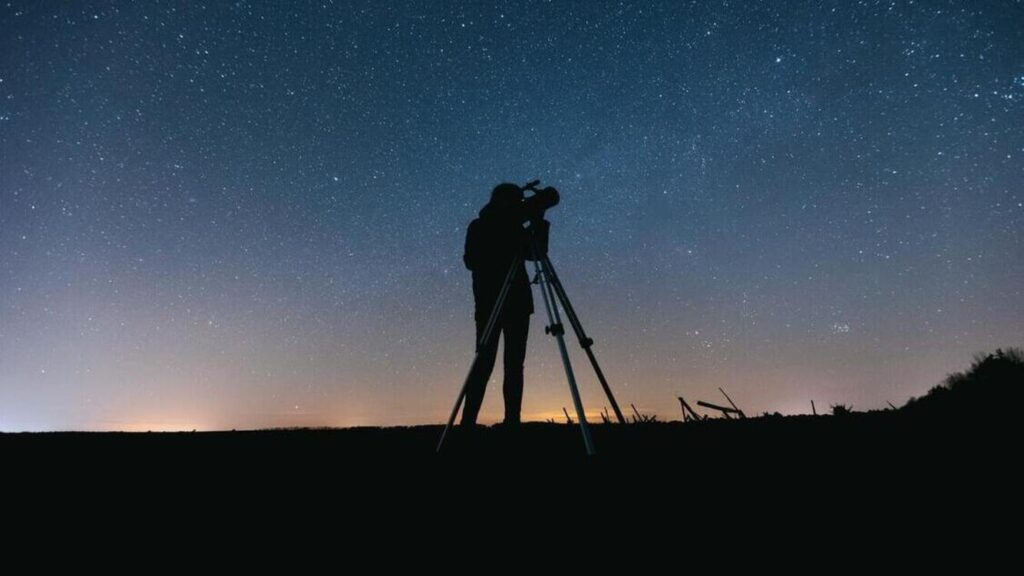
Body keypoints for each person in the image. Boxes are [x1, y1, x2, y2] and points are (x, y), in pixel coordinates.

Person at [460, 182, 551, 427]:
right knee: (484, 362)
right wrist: (505, 237)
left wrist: (538, 222)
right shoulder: (479, 226)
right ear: (502, 201)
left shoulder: (516, 227)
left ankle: (513, 421)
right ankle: (467, 422)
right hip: (490, 303)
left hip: (518, 304)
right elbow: (471, 261)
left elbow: (537, 255)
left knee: (514, 365)